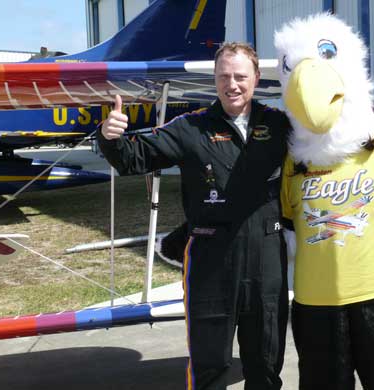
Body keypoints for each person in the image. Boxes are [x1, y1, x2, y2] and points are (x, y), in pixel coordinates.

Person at [98, 42, 290, 390]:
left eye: (240, 77)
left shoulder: (279, 125)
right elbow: (134, 157)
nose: (232, 85)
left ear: (257, 78)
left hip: (266, 259)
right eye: (223, 77)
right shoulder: (191, 127)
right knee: (210, 367)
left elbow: (323, 151)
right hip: (211, 261)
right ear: (214, 80)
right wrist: (111, 138)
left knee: (265, 365)